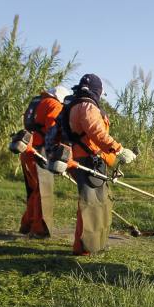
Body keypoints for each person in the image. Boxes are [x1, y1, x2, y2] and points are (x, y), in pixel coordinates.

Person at [65, 74, 136, 255]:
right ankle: (87, 247)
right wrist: (119, 149)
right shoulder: (87, 106)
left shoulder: (77, 104)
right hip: (89, 160)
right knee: (92, 205)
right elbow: (96, 132)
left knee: (96, 203)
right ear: (97, 90)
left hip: (88, 159)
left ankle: (91, 245)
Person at [19, 86, 69, 237]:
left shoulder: (37, 102)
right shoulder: (54, 105)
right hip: (41, 151)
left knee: (35, 190)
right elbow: (52, 130)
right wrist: (56, 153)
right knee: (43, 191)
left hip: (27, 149)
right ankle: (39, 229)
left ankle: (27, 224)